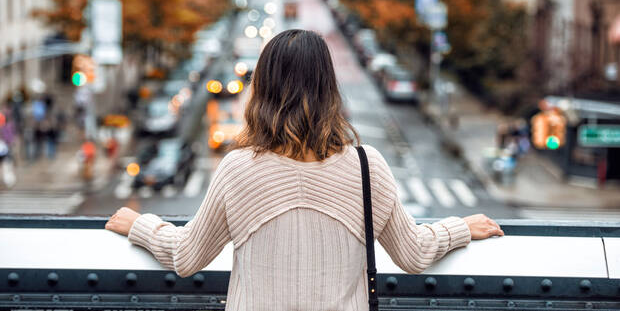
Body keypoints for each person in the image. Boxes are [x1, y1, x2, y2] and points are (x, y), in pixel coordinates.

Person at [105, 30, 503, 311]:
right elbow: (414, 253)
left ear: (262, 88)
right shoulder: (367, 167)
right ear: (329, 89)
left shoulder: (238, 169)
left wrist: (138, 225)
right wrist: (461, 228)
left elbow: (187, 255)